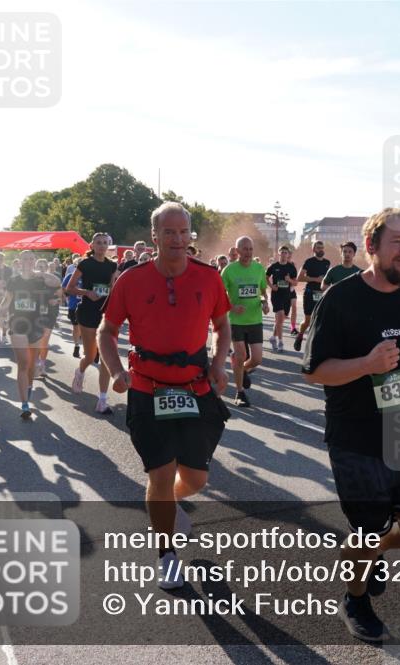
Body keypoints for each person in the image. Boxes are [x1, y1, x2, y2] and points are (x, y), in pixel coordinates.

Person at [302, 207, 400, 642]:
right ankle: (355, 598)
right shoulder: (341, 298)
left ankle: (375, 550)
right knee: (367, 533)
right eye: (397, 242)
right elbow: (314, 371)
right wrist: (366, 364)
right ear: (372, 246)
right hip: (357, 435)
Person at [98, 201, 231, 590]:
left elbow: (222, 325)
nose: (177, 238)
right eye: (169, 232)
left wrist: (219, 362)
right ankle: (166, 554)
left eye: (183, 231)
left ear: (190, 235)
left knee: (196, 478)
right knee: (159, 474)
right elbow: (107, 331)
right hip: (147, 387)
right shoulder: (131, 280)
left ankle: (170, 506)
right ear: (154, 236)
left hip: (195, 388)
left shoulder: (208, 277)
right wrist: (117, 371)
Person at [0, 250, 61, 420]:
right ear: (20, 261)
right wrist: (0, 315)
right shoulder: (14, 280)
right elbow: (7, 300)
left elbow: (57, 283)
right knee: (23, 363)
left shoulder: (41, 279)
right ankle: (24, 404)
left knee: (31, 365)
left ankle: (29, 389)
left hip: (36, 324)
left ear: (35, 261)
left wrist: (41, 273)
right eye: (25, 259)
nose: (29, 261)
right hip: (18, 323)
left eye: (32, 259)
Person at [66, 232, 119, 415]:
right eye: (99, 243)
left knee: (105, 358)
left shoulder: (112, 265)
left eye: (105, 242)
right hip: (87, 312)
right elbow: (69, 288)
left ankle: (102, 400)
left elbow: (112, 288)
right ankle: (80, 371)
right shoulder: (85, 264)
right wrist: (87, 293)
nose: (102, 245)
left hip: (105, 313)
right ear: (92, 245)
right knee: (90, 356)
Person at [221, 236, 268, 406]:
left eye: (250, 249)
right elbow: (219, 295)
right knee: (240, 356)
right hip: (236, 321)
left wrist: (265, 303)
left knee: (257, 359)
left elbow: (263, 292)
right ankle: (239, 392)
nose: (248, 252)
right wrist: (232, 307)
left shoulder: (259, 269)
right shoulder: (228, 271)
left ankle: (242, 371)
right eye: (245, 249)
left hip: (255, 319)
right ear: (237, 250)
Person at [294, 240, 330, 351]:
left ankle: (314, 344)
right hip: (310, 293)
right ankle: (300, 335)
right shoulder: (309, 262)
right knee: (308, 320)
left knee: (320, 319)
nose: (321, 250)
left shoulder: (327, 263)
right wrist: (315, 279)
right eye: (318, 247)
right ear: (313, 249)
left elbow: (329, 278)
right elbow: (299, 278)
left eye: (322, 247)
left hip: (322, 294)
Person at [265, 245, 298, 352]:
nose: (283, 254)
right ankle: (280, 342)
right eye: (282, 252)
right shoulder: (273, 266)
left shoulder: (291, 267)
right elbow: (266, 277)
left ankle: (273, 338)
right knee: (279, 317)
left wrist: (289, 280)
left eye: (285, 252)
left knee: (280, 320)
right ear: (279, 253)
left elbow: (295, 282)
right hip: (276, 295)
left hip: (287, 296)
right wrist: (271, 286)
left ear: (288, 255)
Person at [34, 258, 63, 379]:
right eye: (39, 266)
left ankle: (42, 365)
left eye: (43, 266)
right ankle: (35, 364)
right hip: (35, 313)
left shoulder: (53, 280)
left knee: (44, 340)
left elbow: (61, 297)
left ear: (47, 267)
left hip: (50, 313)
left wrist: (56, 301)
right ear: (35, 267)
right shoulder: (31, 280)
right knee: (36, 339)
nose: (41, 268)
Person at [61, 264, 81, 358]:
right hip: (73, 305)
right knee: (76, 327)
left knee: (85, 328)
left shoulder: (89, 276)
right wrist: (68, 296)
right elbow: (63, 288)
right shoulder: (70, 276)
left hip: (87, 305)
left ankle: (90, 348)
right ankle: (77, 346)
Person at [286, 247, 299, 335]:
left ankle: (293, 328)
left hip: (291, 290)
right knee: (283, 313)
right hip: (282, 292)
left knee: (294, 307)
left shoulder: (293, 265)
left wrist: (291, 281)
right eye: (288, 254)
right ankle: (277, 328)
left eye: (290, 254)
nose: (289, 256)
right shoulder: (279, 264)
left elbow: (295, 280)